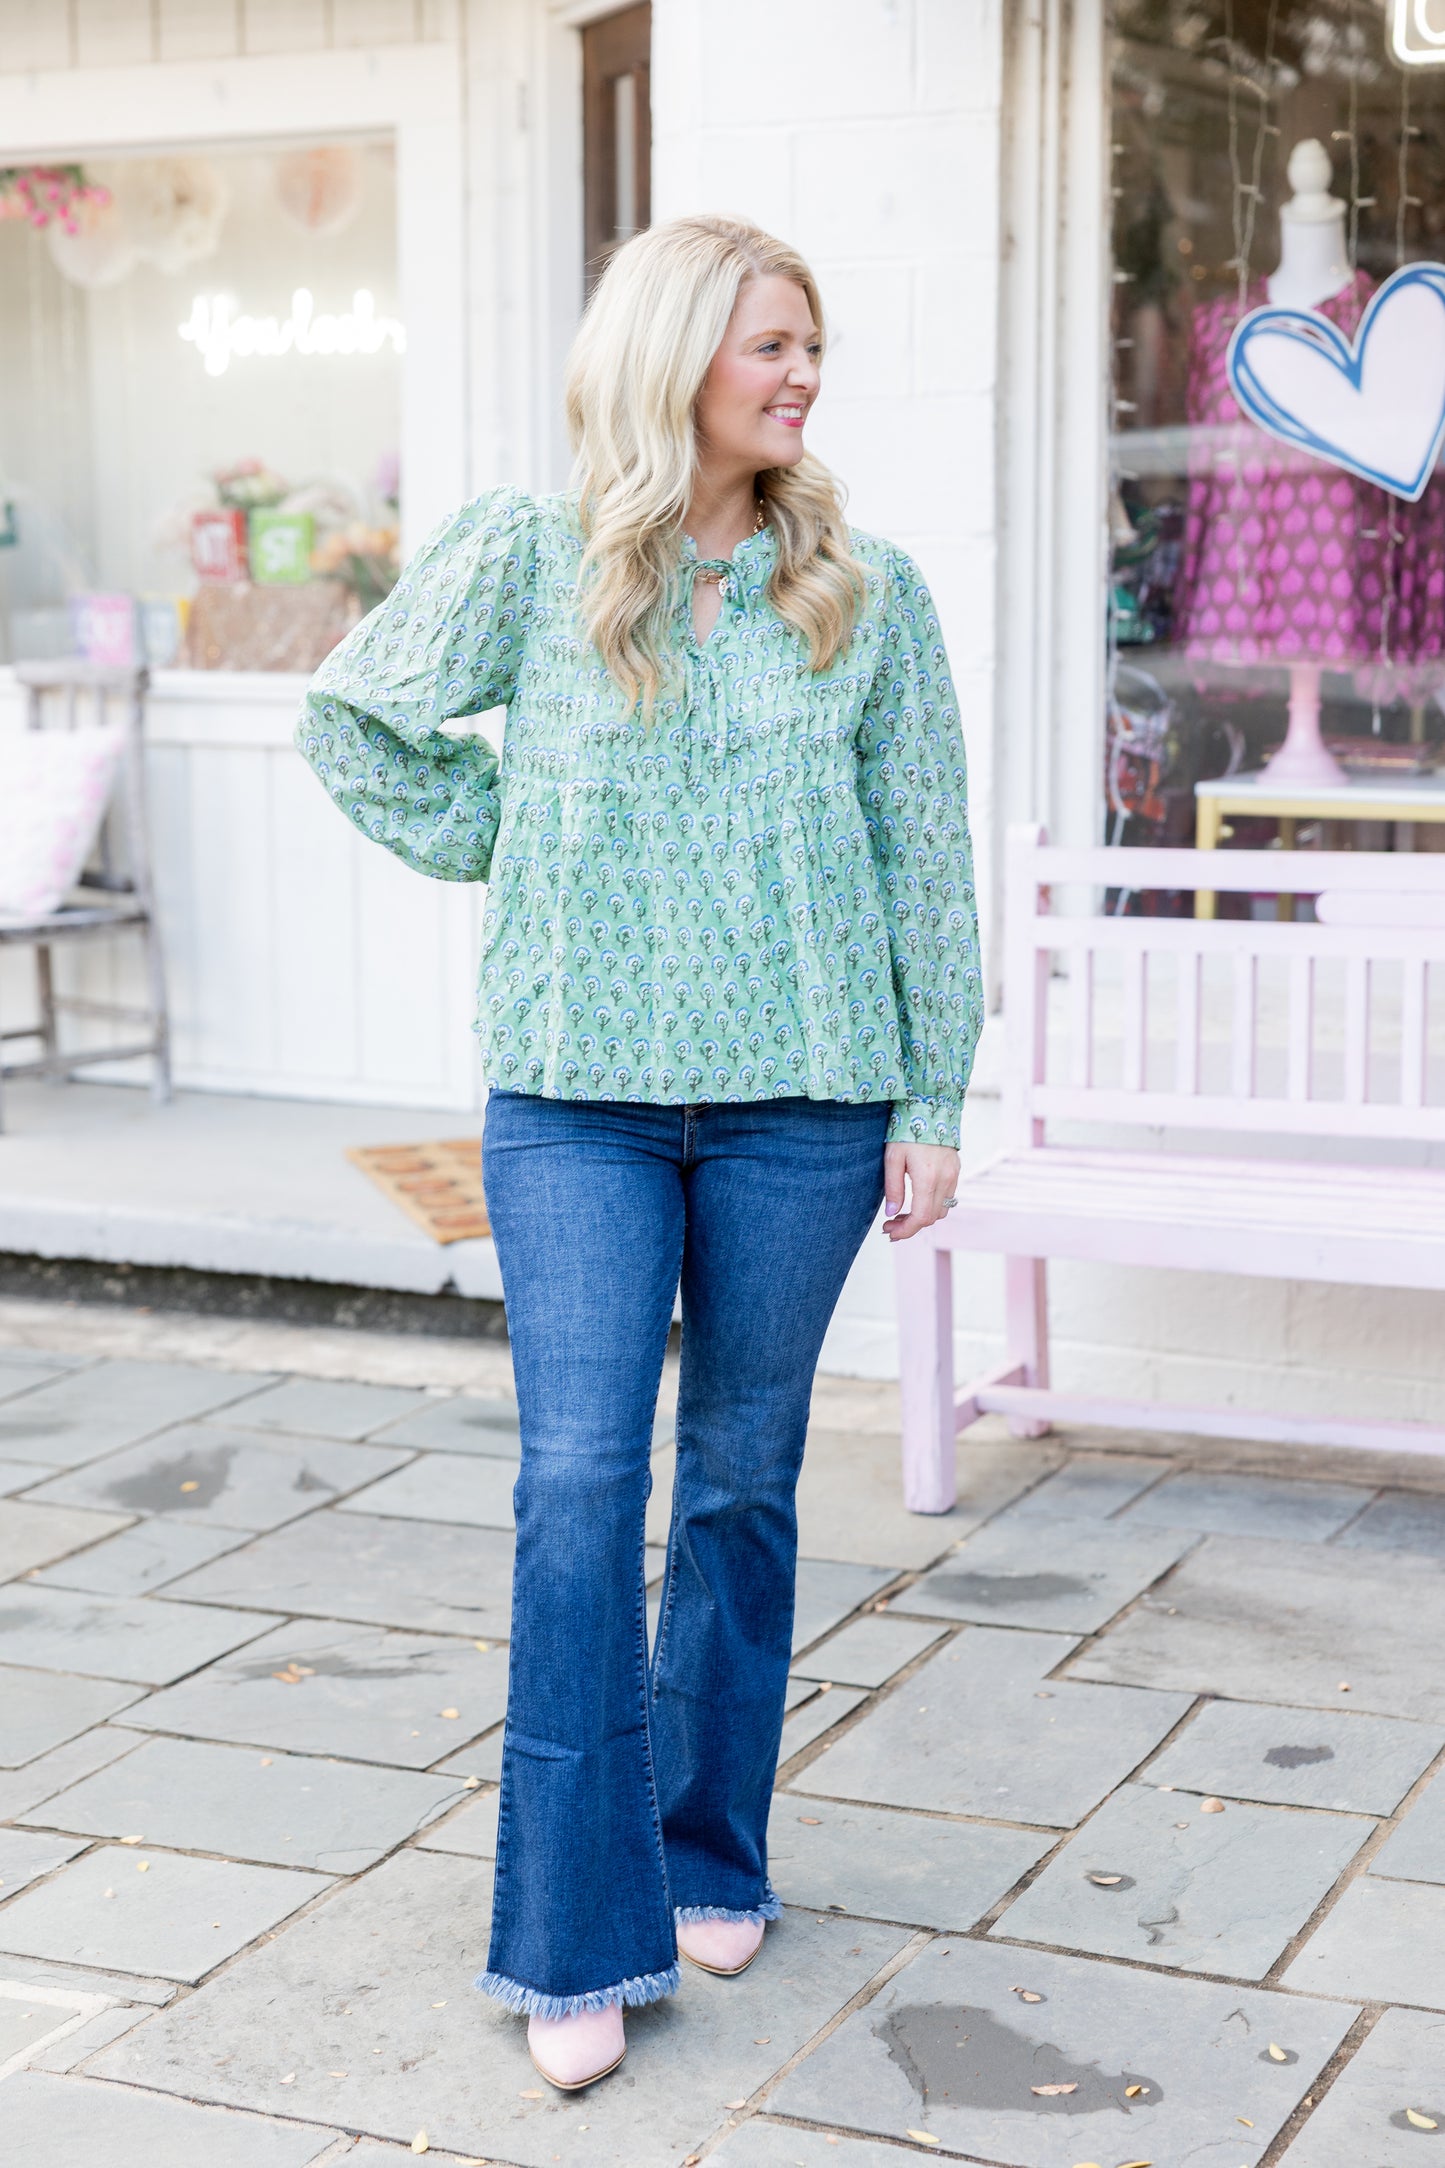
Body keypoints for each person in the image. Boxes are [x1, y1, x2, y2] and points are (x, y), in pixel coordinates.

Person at [296, 213, 981, 2092]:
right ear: (675, 348)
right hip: (578, 1100)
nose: (802, 376)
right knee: (581, 1492)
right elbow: (347, 720)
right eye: (772, 343)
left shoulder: (864, 588)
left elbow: (924, 850)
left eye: (813, 347)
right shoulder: (526, 554)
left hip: (806, 1104)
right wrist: (504, 831)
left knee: (744, 1491)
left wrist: (932, 1101)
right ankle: (571, 1937)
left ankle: (708, 1850)